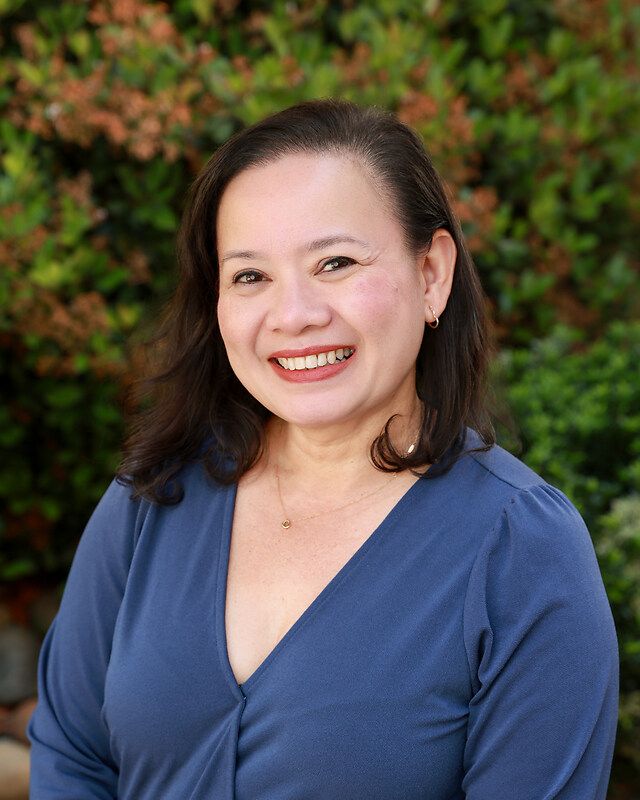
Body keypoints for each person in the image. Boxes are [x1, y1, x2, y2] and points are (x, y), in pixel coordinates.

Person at [27, 99, 618, 799]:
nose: (294, 314)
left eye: (335, 262)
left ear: (432, 274)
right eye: (250, 275)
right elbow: (72, 755)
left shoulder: (522, 549)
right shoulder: (151, 498)